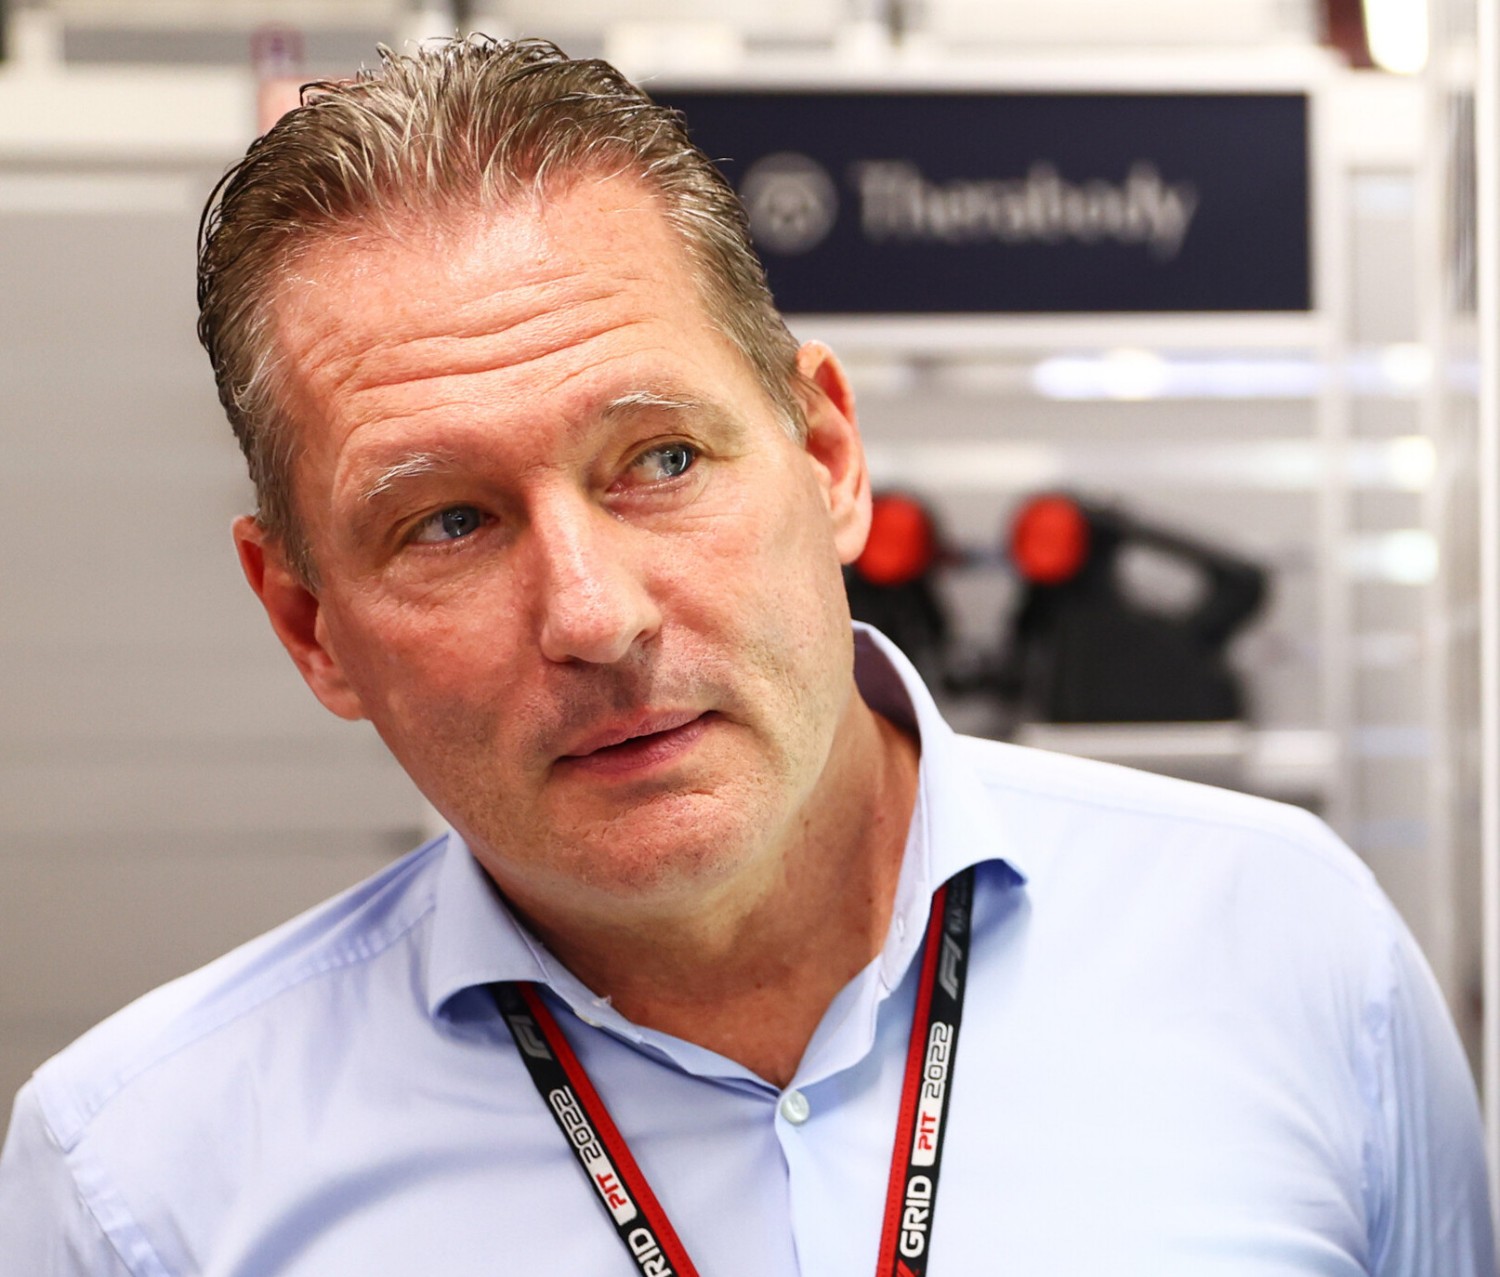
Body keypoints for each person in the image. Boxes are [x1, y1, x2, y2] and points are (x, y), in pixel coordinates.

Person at [0, 35, 1492, 1276]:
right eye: (447, 521)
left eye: (657, 457)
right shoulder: (142, 1180)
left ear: (826, 451)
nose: (593, 615)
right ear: (310, 622)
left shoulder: (1290, 948)